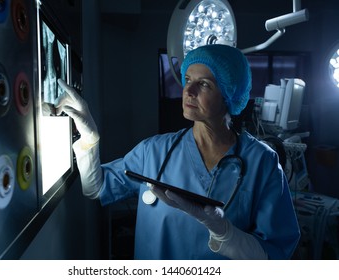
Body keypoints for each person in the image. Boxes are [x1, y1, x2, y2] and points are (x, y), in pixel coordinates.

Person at [55, 44, 300, 260]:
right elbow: (96, 188)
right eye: (188, 79)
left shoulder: (262, 162)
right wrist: (88, 139)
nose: (188, 91)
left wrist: (224, 231)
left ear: (229, 93)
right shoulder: (154, 151)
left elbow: (274, 257)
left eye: (204, 84)